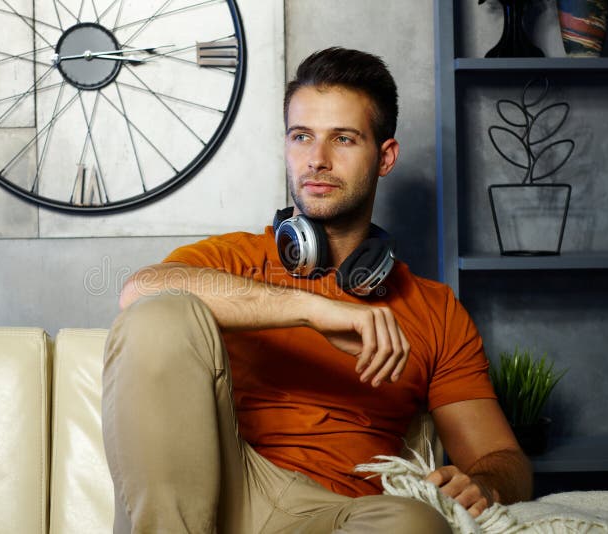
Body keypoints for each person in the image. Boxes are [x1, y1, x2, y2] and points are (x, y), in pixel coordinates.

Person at [102, 47, 532, 533]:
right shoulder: (233, 259)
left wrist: (487, 484)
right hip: (225, 493)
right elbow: (141, 291)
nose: (317, 160)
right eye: (301, 136)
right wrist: (313, 309)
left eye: (343, 139)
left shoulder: (435, 309)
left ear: (385, 157)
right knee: (161, 314)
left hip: (342, 515)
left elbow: (502, 457)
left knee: (416, 523)